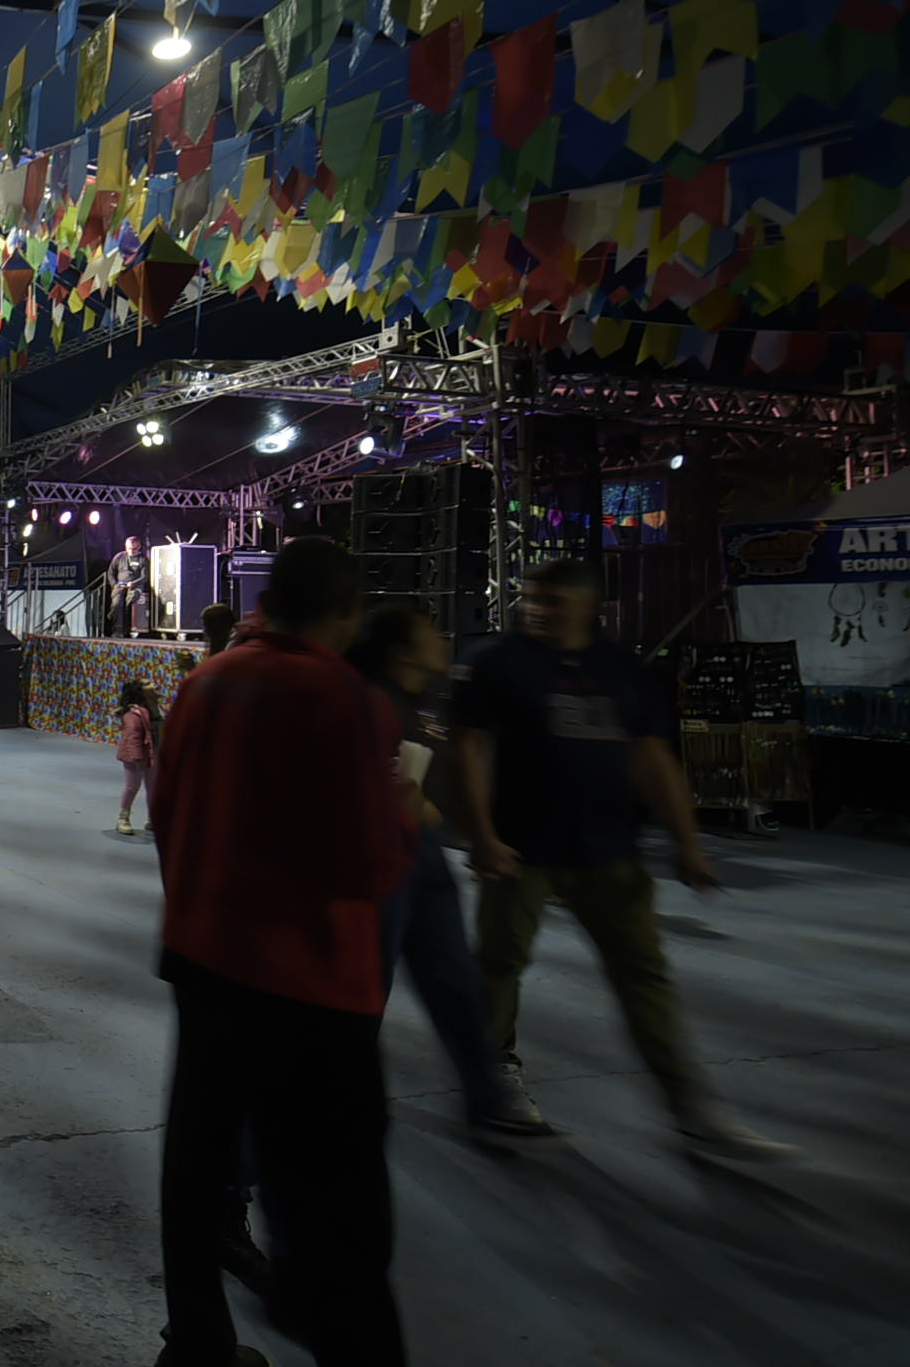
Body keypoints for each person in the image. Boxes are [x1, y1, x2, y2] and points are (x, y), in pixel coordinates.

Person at [148, 536, 414, 1367]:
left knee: (196, 1166)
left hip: (202, 957)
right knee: (337, 1204)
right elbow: (369, 864)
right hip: (311, 984)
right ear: (348, 610)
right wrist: (408, 812)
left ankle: (198, 1345)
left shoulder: (205, 682)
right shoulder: (345, 698)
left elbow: (165, 811)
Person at [451, 559, 798, 1162]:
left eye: (553, 601)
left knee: (643, 976)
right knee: (499, 967)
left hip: (609, 851)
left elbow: (653, 759)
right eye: (532, 598)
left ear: (588, 606)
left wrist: (688, 844)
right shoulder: (496, 662)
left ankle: (688, 1104)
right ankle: (494, 1084)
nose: (538, 610)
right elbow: (469, 749)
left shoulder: (622, 670)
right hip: (521, 850)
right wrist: (480, 835)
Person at [345, 605, 553, 1146]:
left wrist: (477, 837)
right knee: (366, 988)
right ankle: (335, 1099)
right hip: (384, 861)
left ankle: (489, 1098)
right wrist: (417, 808)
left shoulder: (429, 700)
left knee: (453, 977)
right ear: (403, 651)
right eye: (430, 632)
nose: (442, 638)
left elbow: (447, 772)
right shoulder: (374, 702)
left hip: (427, 855)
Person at [114, 679, 158, 836]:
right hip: (135, 756)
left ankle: (152, 818)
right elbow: (133, 738)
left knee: (153, 787)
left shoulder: (157, 709)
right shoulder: (134, 714)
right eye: (148, 684)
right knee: (132, 786)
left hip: (153, 753)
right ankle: (123, 817)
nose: (154, 685)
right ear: (141, 692)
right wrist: (138, 759)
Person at [111, 535, 152, 636]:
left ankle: (128, 628)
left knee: (131, 600)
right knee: (117, 603)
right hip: (121, 584)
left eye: (134, 549)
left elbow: (145, 576)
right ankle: (117, 630)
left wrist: (134, 583)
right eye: (128, 548)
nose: (131, 551)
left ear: (139, 547)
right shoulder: (119, 557)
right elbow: (111, 573)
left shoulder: (143, 559)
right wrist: (114, 585)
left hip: (136, 585)